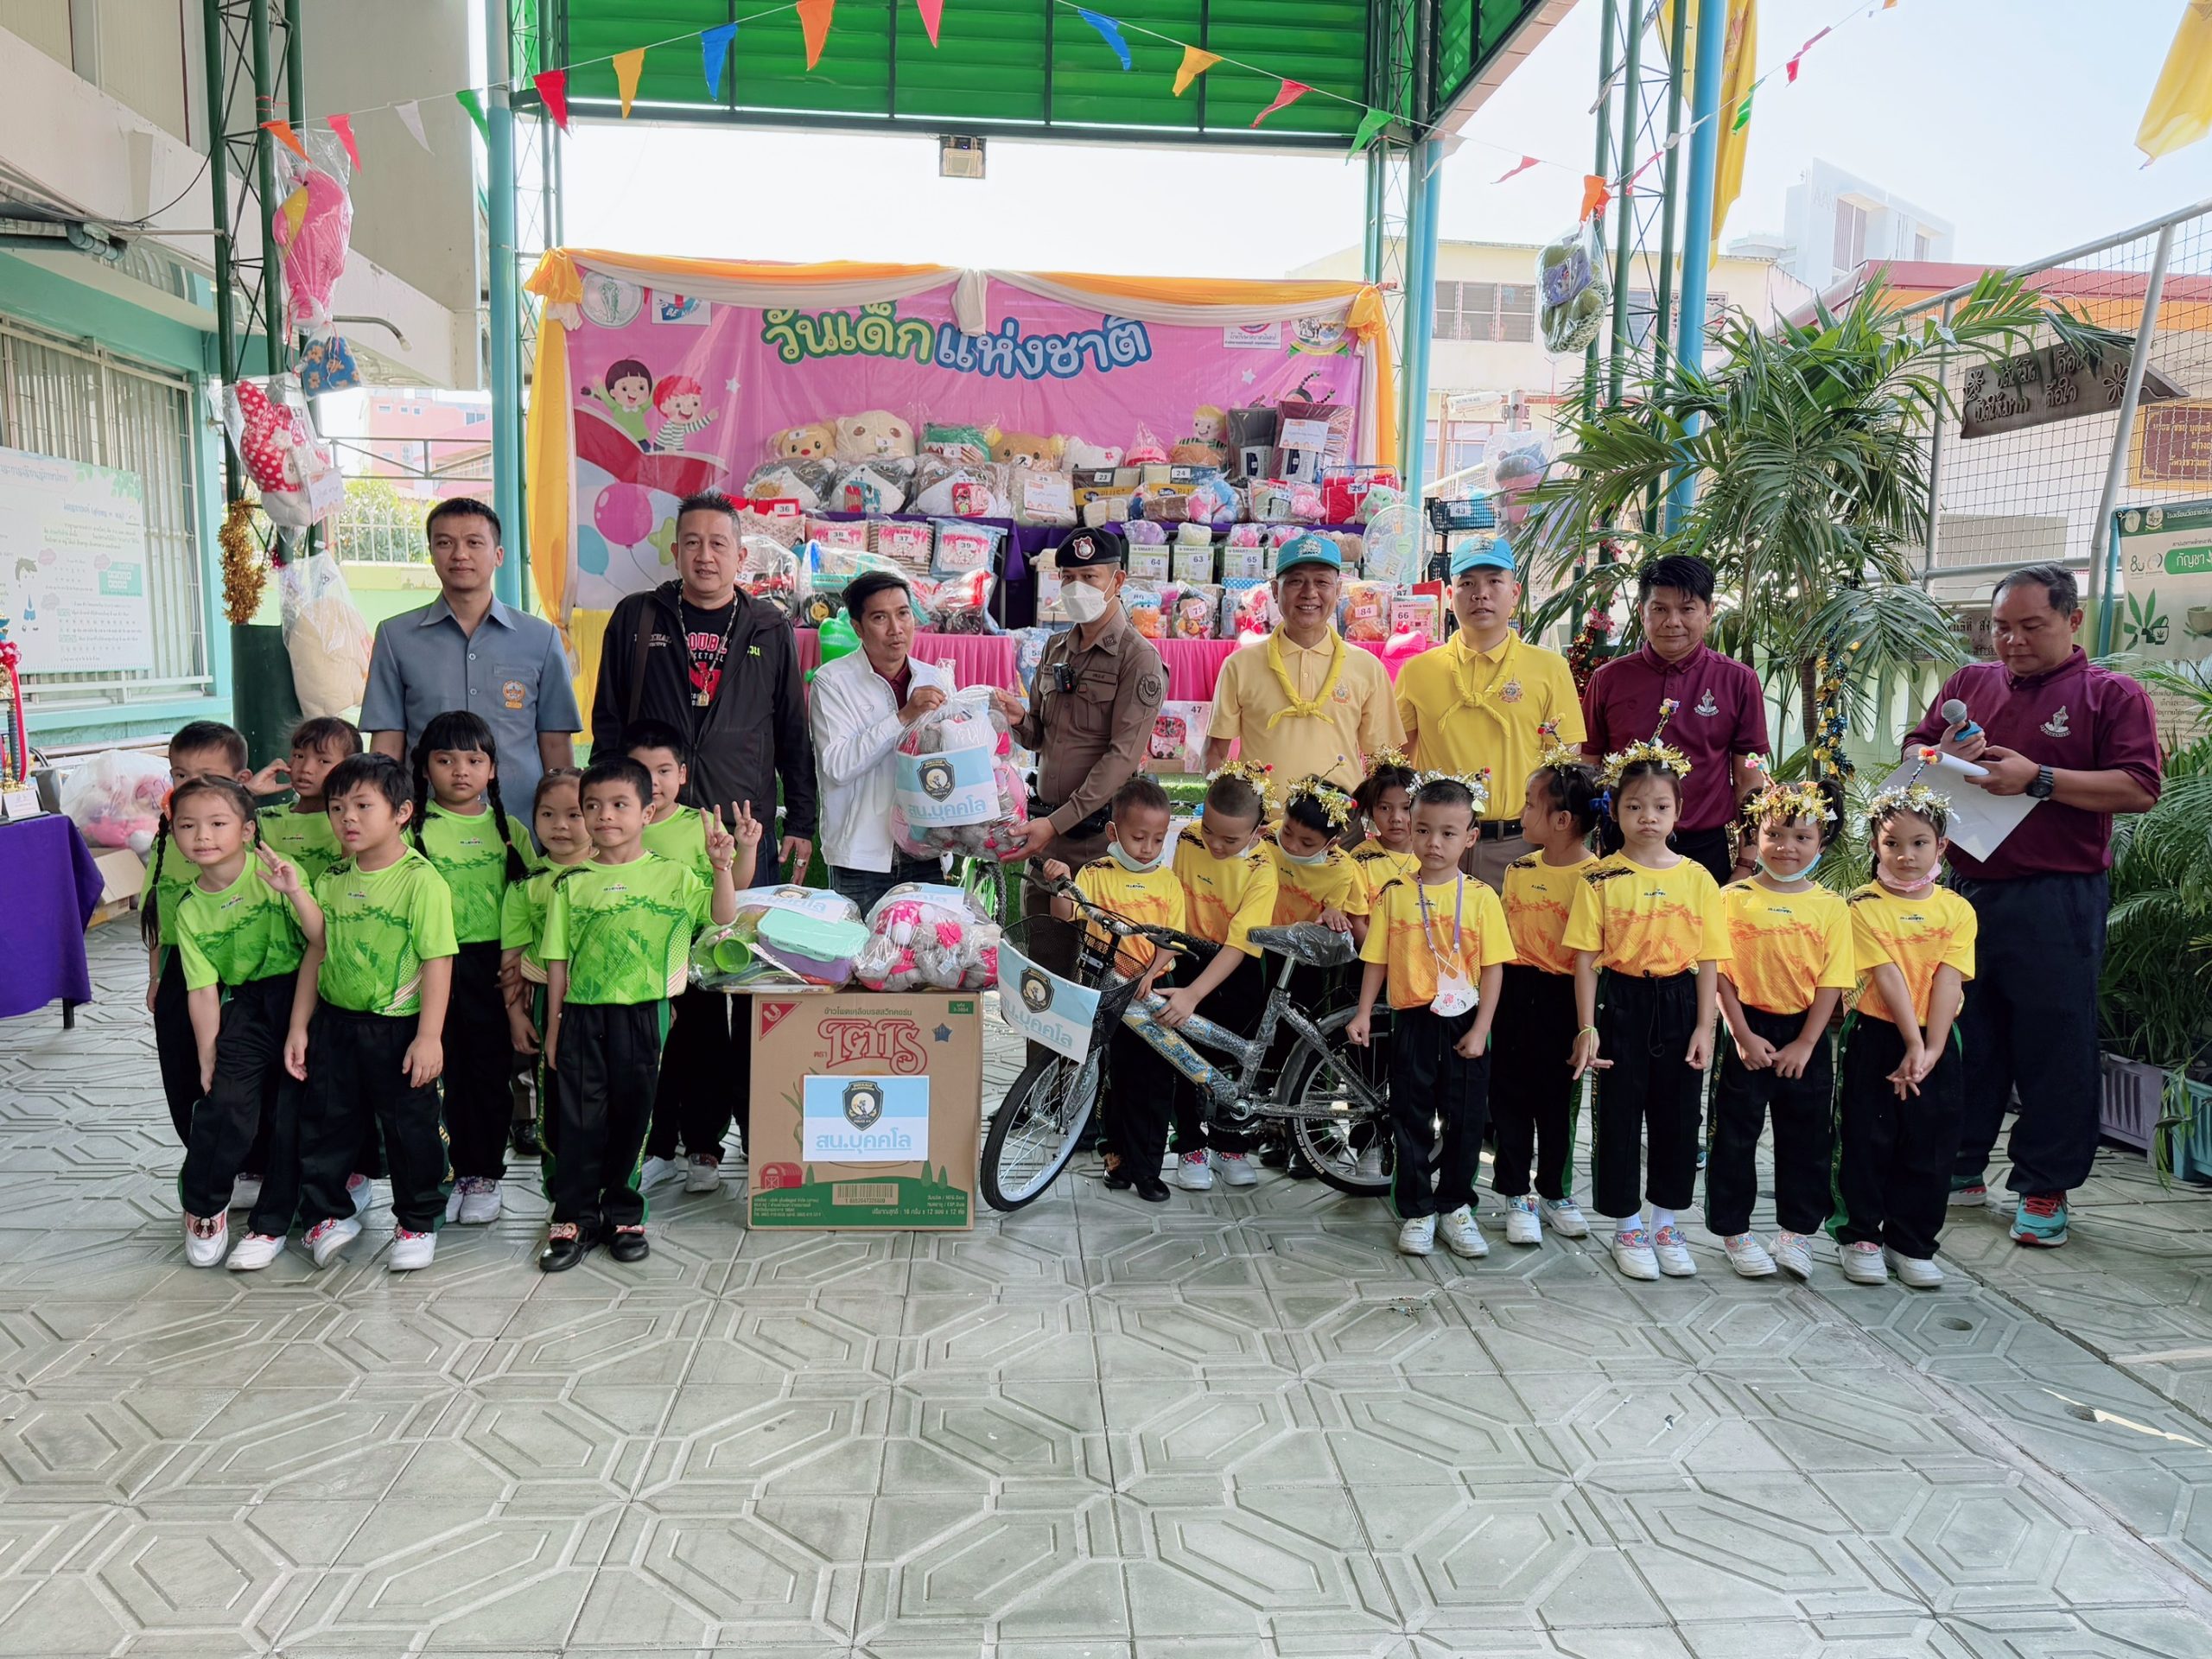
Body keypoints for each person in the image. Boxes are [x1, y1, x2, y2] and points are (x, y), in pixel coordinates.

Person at [1904, 563, 2161, 1249]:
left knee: (2054, 1041)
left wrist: (2038, 779)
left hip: (2058, 894)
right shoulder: (1968, 683)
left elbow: (2139, 787)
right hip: (1965, 890)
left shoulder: (2111, 694)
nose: (2011, 641)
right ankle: (1961, 1163)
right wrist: (1939, 752)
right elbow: (1915, 749)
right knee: (1966, 1031)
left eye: (2030, 626)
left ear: (2073, 621)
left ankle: (2045, 1184)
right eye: (2000, 628)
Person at [589, 489, 818, 1173]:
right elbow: (607, 725)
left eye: (719, 543)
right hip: (652, 835)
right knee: (669, 989)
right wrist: (606, 818)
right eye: (692, 542)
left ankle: (753, 1133)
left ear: (741, 555)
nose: (705, 555)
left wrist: (802, 820)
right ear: (675, 550)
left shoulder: (769, 626)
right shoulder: (638, 619)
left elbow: (792, 732)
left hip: (741, 834)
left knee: (745, 986)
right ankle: (676, 1137)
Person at [538, 759, 752, 1272]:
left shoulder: (672, 876)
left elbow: (722, 916)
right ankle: (573, 1218)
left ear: (647, 813)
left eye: (619, 805)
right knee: (579, 1118)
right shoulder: (571, 883)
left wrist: (723, 866)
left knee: (634, 1115)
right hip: (582, 1016)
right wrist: (554, 1025)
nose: (604, 816)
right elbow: (557, 961)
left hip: (644, 1014)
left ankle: (623, 1216)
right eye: (593, 806)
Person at [282, 753, 457, 1272]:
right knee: (327, 1122)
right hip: (335, 1024)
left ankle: (417, 1221)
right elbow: (318, 948)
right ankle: (326, 1215)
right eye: (337, 808)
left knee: (410, 1129)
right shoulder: (332, 877)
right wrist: (299, 1026)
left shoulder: (421, 880)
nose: (348, 818)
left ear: (402, 812)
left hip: (399, 1028)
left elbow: (438, 960)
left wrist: (429, 1037)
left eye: (363, 806)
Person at [993, 526, 1165, 1045]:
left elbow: (1121, 759)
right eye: (1067, 577)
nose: (1076, 588)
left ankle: (1087, 1095)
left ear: (1118, 580)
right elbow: (1042, 736)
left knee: (1093, 985)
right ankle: (1043, 1084)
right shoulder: (1055, 648)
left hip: (1094, 844)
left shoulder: (1137, 659)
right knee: (1043, 977)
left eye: (1089, 577)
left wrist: (1056, 823)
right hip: (1045, 835)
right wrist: (1019, 719)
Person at [1567, 741, 1729, 1283]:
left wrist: (1705, 1026)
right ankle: (1627, 1225)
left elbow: (1709, 959)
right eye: (1634, 806)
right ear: (1614, 811)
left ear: (1679, 811)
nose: (1648, 817)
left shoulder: (1698, 878)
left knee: (1678, 1117)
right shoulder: (1600, 878)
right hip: (1620, 1001)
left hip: (1680, 1002)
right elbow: (1586, 959)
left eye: (1661, 806)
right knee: (1617, 1115)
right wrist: (1588, 1027)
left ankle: (1665, 1222)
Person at [1346, 775, 1513, 1259]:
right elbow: (1376, 957)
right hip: (1413, 1020)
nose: (1433, 843)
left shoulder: (1481, 897)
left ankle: (1456, 1206)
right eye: (1423, 830)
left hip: (1466, 1023)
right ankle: (1417, 1209)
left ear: (1470, 837)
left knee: (1466, 1119)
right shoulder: (1395, 893)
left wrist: (1482, 1028)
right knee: (1409, 1117)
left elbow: (1494, 968)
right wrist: (1363, 1011)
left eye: (1447, 833)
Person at [1707, 780, 1853, 1281]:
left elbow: (1834, 978)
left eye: (1802, 837)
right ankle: (1735, 1231)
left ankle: (1796, 1233)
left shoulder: (1832, 906)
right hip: (1745, 1028)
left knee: (1808, 1138)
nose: (1787, 847)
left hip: (1805, 1032)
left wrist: (1808, 1043)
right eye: (1774, 834)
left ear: (1822, 842)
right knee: (1733, 1134)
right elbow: (1718, 972)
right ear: (1755, 834)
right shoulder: (1731, 898)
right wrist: (1741, 1035)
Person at [1834, 784, 1977, 1288]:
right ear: (1875, 844)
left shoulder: (1957, 909)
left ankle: (1911, 1242)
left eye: (1920, 843)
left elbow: (1949, 977)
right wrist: (1913, 1045)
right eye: (1892, 843)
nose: (1906, 855)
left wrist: (1932, 1047)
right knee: (1867, 1137)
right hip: (1875, 1034)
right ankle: (1860, 1236)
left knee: (1931, 1142)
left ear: (1941, 847)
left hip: (1939, 1037)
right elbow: (1886, 974)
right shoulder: (1859, 905)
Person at [164, 779, 308, 1268]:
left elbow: (318, 938)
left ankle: (274, 1221)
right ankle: (204, 1206)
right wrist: (209, 1053)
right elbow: (203, 989)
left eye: (217, 823)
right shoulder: (189, 909)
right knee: (225, 1103)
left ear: (247, 830)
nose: (202, 836)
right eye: (188, 826)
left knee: (293, 1109)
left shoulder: (276, 872)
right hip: (245, 1005)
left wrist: (294, 891)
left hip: (302, 994)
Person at [362, 498, 579, 806]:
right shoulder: (395, 637)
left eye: (474, 542)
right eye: (445, 543)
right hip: (427, 820)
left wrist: (565, 811)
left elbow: (555, 742)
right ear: (432, 554)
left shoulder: (540, 638)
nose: (460, 554)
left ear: (498, 555)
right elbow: (388, 742)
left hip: (520, 818)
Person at [1395, 540, 1586, 887]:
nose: (1480, 593)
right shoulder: (1418, 671)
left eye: (1494, 581)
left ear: (1514, 593)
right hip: (1436, 847)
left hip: (1517, 844)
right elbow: (1400, 760)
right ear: (1450, 595)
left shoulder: (1549, 669)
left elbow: (1565, 762)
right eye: (1467, 583)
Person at [409, 712, 533, 1227]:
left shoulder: (510, 831)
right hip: (427, 966)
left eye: (474, 760)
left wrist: (521, 968)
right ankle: (443, 1171)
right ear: (424, 768)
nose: (460, 771)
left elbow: (529, 903)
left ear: (493, 770)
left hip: (494, 969)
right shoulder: (412, 829)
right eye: (445, 760)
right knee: (436, 1074)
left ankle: (482, 1173)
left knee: (487, 1071)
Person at [1580, 555, 1769, 887]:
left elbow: (1748, 776)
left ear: (1708, 613)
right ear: (1642, 612)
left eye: (1687, 609)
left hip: (1704, 849)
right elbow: (1588, 766)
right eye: (1660, 609)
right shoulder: (1608, 679)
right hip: (1623, 845)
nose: (1673, 621)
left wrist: (1746, 861)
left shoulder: (1739, 681)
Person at [1040, 774, 1185, 1202]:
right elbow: (1066, 916)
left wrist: (1150, 974)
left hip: (1152, 990)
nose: (1148, 848)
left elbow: (1172, 940)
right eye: (1138, 837)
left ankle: (1148, 1170)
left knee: (1153, 1079)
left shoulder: (1168, 882)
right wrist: (1061, 882)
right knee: (1112, 1076)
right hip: (1105, 987)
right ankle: (1116, 1157)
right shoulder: (1096, 873)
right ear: (1113, 832)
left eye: (1158, 839)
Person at [625, 719, 741, 1196]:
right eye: (641, 771)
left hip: (697, 962)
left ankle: (704, 1148)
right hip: (639, 966)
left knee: (706, 1053)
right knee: (656, 1058)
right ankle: (657, 1150)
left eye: (664, 770)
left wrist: (739, 853)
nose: (653, 782)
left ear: (683, 774)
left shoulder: (702, 824)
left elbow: (728, 893)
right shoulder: (619, 825)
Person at [1492, 753, 1601, 1247]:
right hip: (1514, 992)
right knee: (1509, 1095)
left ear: (1562, 820)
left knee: (1558, 1102)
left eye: (1530, 805)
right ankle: (1516, 1193)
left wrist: (1587, 1024)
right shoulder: (1518, 868)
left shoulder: (1597, 877)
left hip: (1566, 997)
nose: (1521, 813)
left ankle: (1555, 1192)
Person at [1203, 534, 1402, 796]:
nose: (1309, 593)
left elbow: (1383, 761)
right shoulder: (1239, 666)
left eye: (1322, 582)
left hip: (1342, 820)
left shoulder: (1367, 668)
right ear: (1275, 591)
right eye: (1296, 581)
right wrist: (1231, 813)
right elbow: (1216, 752)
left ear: (1338, 591)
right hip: (1262, 820)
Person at [1160, 765, 1279, 1192]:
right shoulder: (1189, 840)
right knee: (1181, 1054)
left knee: (1233, 1059)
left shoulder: (1264, 868)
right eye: (1209, 830)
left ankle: (1230, 1145)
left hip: (1235, 968)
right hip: (1187, 958)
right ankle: (1190, 1145)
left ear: (1258, 831)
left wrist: (1194, 994)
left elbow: (1238, 945)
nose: (1214, 844)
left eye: (1230, 840)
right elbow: (1175, 905)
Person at [810, 569, 954, 912]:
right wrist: (903, 717)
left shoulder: (934, 678)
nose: (896, 628)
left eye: (903, 613)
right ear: (858, 628)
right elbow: (838, 765)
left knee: (926, 944)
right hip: (861, 858)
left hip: (926, 852)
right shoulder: (832, 682)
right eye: (880, 618)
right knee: (861, 946)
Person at [144, 721, 255, 1148]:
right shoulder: (169, 836)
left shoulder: (242, 837)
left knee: (236, 1066)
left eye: (207, 776)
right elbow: (157, 912)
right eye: (180, 774)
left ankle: (249, 1158)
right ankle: (202, 1152)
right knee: (182, 1063)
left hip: (237, 969)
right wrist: (155, 975)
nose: (191, 785)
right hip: (180, 967)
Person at [501, 768, 589, 1163]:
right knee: (554, 1092)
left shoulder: (613, 875)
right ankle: (560, 1184)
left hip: (611, 1001)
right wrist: (516, 1016)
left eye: (574, 814)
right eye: (548, 814)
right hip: (545, 1002)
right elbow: (511, 958)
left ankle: (613, 1185)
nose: (560, 825)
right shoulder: (526, 884)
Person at [252, 716, 362, 888]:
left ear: (350, 768)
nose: (306, 769)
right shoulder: (263, 819)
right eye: (299, 756)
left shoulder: (354, 822)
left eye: (323, 761)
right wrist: (248, 791)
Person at [1348, 750, 1421, 906]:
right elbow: (1356, 917)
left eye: (1406, 808)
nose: (1396, 818)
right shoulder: (1360, 859)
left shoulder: (1431, 854)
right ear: (1371, 812)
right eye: (1385, 808)